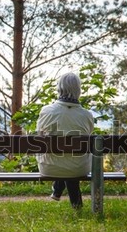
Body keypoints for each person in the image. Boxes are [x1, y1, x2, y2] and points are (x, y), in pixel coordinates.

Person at [36, 72, 94, 209]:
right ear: (78, 90)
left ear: (59, 88)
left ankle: (58, 190)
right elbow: (89, 134)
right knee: (70, 161)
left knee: (61, 159)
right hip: (79, 168)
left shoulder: (46, 111)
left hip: (49, 168)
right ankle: (75, 204)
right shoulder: (87, 115)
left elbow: (39, 137)